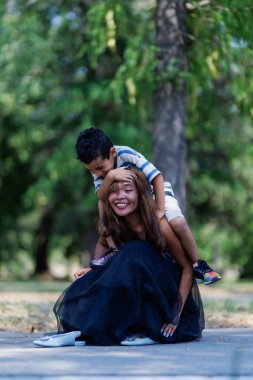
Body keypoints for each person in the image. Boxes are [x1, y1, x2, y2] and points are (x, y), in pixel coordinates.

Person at [33, 168, 204, 347]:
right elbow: (102, 244)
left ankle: (139, 329)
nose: (120, 196)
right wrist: (94, 269)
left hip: (166, 296)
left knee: (136, 250)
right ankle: (79, 332)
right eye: (113, 192)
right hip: (138, 282)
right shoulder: (115, 222)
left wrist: (175, 313)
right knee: (93, 277)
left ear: (141, 194)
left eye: (128, 190)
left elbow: (186, 268)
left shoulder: (158, 223)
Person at [75, 127, 221, 285]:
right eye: (92, 170)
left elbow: (157, 177)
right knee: (102, 207)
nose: (98, 173)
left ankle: (199, 264)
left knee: (177, 222)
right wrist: (110, 176)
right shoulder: (98, 170)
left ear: (111, 152)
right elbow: (101, 195)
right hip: (127, 199)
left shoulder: (126, 154)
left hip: (155, 192)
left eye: (101, 168)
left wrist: (158, 211)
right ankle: (113, 250)